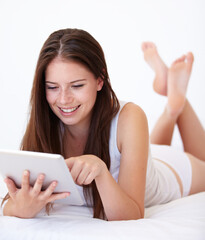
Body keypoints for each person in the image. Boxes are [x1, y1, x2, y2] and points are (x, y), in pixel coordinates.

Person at [2, 29, 205, 221]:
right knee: (152, 147)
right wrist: (20, 208)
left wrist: (101, 171)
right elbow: (10, 202)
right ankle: (172, 100)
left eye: (77, 85)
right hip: (141, 156)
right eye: (53, 87)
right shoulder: (46, 119)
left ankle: (177, 104)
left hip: (171, 170)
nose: (63, 99)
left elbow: (132, 216)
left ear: (100, 80)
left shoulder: (130, 116)